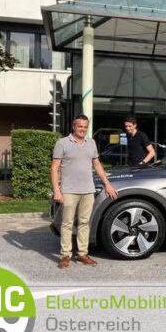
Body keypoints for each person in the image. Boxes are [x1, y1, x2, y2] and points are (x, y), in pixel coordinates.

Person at [51, 115, 118, 269]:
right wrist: (57, 190)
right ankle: (65, 255)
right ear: (73, 126)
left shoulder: (91, 143)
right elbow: (54, 167)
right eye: (80, 126)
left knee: (84, 223)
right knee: (67, 224)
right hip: (69, 191)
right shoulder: (62, 143)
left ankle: (82, 254)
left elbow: (97, 164)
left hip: (88, 190)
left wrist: (107, 184)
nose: (83, 129)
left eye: (85, 127)